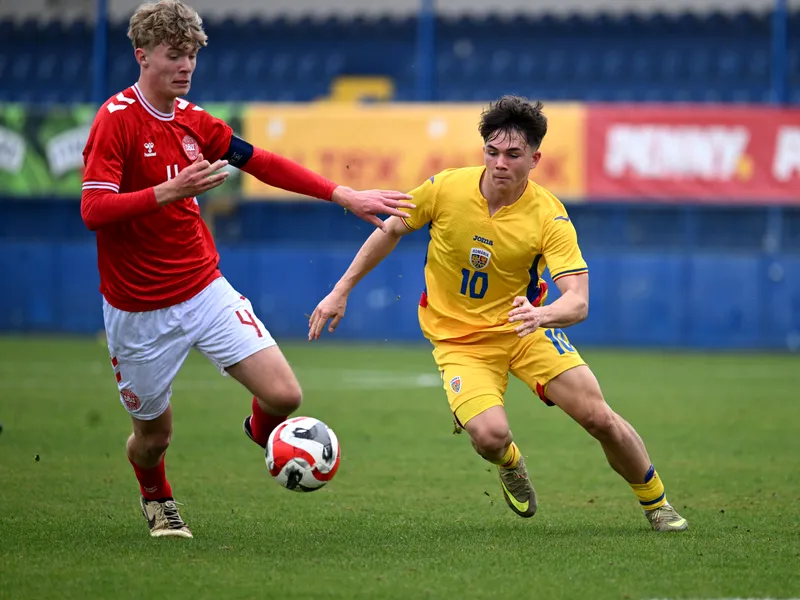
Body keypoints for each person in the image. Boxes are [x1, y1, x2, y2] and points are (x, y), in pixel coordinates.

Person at [81, 0, 414, 539]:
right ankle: (157, 498)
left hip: (203, 289)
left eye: (192, 55)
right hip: (137, 310)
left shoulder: (195, 121)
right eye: (174, 55)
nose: (186, 66)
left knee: (284, 395)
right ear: (142, 56)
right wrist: (169, 191)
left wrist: (342, 193)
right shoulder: (115, 120)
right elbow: (93, 210)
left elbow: (259, 161)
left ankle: (265, 437)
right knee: (153, 439)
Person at [308, 96, 688, 532]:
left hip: (524, 329)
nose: (500, 163)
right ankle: (510, 463)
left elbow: (578, 301)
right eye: (492, 151)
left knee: (598, 417)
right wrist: (340, 290)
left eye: (513, 154)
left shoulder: (549, 217)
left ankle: (657, 504)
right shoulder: (445, 188)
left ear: (535, 159)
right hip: (459, 341)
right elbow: (391, 228)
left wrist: (542, 316)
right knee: (490, 437)